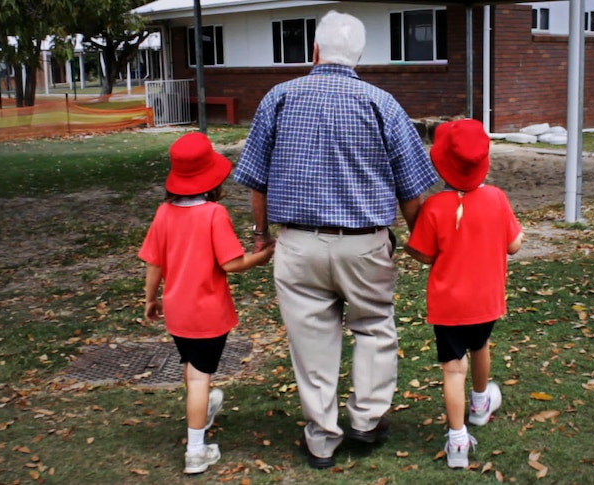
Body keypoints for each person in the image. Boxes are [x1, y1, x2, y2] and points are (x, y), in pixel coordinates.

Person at [233, 10, 437, 470]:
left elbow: (257, 181)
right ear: (359, 56)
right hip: (365, 243)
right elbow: (411, 188)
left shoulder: (279, 97)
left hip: (298, 243)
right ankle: (366, 419)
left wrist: (260, 235)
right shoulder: (382, 103)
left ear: (316, 51)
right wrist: (423, 242)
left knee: (311, 341)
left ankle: (322, 437)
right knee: (373, 328)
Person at [138, 132, 275, 474]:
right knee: (200, 377)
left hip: (177, 310)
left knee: (193, 369)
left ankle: (204, 407)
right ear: (213, 180)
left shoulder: (163, 213)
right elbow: (231, 263)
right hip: (208, 313)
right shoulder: (214, 214)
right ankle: (196, 451)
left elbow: (153, 262)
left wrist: (151, 299)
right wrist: (264, 255)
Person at [404, 119, 523, 469]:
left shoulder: (434, 207)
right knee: (481, 345)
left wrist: (410, 246)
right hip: (486, 300)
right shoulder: (497, 198)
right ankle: (481, 403)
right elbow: (514, 245)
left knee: (454, 368)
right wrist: (521, 234)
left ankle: (457, 442)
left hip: (448, 305)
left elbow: (425, 254)